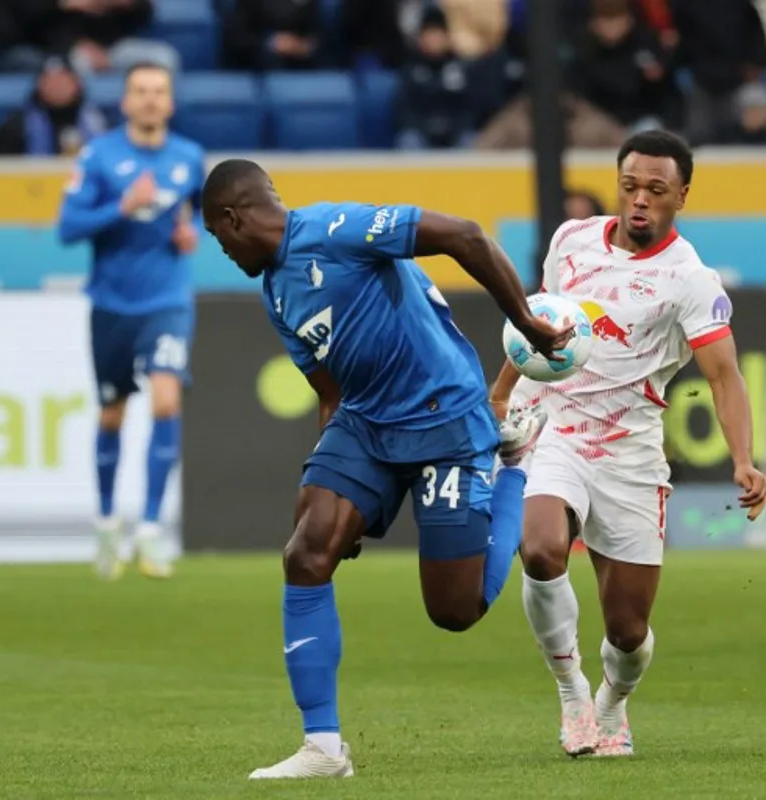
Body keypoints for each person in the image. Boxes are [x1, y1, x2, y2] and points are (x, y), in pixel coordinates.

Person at [200, 157, 573, 779]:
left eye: (218, 238)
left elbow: (466, 236)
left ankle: (513, 465)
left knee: (455, 611)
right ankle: (322, 748)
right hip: (367, 425)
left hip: (446, 420)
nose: (223, 252)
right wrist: (338, 493)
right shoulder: (276, 293)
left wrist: (526, 323)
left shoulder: (336, 228)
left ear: (234, 219)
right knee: (307, 550)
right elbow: (331, 395)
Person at [489, 129, 766, 758]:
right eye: (630, 186)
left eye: (656, 190)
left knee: (628, 628)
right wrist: (501, 395)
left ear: (683, 196)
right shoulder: (572, 240)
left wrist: (745, 460)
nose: (640, 199)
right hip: (555, 423)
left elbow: (723, 376)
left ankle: (613, 704)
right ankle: (570, 694)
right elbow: (540, 327)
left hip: (629, 450)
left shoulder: (689, 279)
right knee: (538, 548)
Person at [57, 62, 205, 581]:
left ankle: (150, 529)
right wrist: (122, 207)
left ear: (169, 102)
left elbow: (199, 217)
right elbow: (67, 227)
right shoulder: (99, 156)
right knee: (112, 415)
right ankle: (105, 525)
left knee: (166, 397)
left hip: (166, 301)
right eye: (139, 91)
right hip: (112, 305)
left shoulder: (189, 157)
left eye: (158, 91)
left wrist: (193, 237)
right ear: (124, 102)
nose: (148, 100)